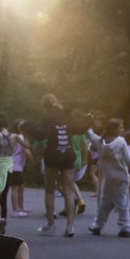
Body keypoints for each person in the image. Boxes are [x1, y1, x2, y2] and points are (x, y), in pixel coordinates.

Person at [36, 94, 81, 237]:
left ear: (44, 107)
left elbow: (41, 134)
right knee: (68, 191)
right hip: (68, 154)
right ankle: (70, 227)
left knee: (50, 191)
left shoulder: (47, 119)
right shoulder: (67, 115)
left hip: (53, 156)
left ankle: (51, 225)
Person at [88, 118, 130, 237]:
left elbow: (91, 135)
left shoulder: (100, 141)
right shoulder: (121, 142)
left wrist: (89, 123)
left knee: (104, 203)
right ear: (115, 129)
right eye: (121, 127)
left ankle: (97, 225)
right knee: (123, 204)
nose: (123, 129)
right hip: (121, 178)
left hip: (106, 179)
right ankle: (125, 227)